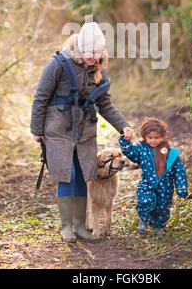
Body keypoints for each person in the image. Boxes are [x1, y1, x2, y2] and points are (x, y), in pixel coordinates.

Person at [30, 21, 133, 242]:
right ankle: (66, 226)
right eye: (88, 51)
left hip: (85, 133)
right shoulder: (58, 63)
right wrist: (37, 129)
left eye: (97, 52)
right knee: (67, 175)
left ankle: (80, 226)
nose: (92, 56)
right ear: (80, 46)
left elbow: (105, 103)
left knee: (83, 176)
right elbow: (40, 97)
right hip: (58, 129)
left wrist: (123, 125)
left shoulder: (98, 70)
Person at [119, 116, 187, 232]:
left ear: (163, 136)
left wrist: (181, 188)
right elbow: (131, 153)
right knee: (145, 202)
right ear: (144, 136)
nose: (153, 140)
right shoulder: (141, 149)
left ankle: (157, 226)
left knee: (163, 208)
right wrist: (125, 141)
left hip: (165, 186)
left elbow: (179, 171)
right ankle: (144, 220)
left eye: (157, 138)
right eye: (150, 137)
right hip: (147, 184)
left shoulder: (170, 152)